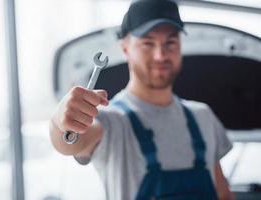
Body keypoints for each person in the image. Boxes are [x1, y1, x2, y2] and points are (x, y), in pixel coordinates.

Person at [50, 0, 234, 199]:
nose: (160, 55)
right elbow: (69, 143)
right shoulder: (110, 120)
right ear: (125, 48)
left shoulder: (203, 117)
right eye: (148, 43)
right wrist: (59, 123)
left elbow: (223, 194)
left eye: (170, 42)